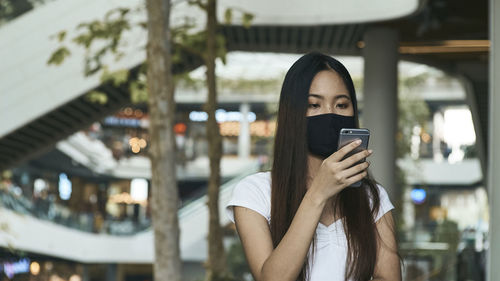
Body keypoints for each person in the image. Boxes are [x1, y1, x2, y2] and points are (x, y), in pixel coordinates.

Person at [225, 52, 402, 281]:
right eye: (314, 105)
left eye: (341, 104)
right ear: (293, 114)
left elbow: (389, 277)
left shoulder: (371, 197)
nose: (330, 113)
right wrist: (318, 193)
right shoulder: (255, 192)